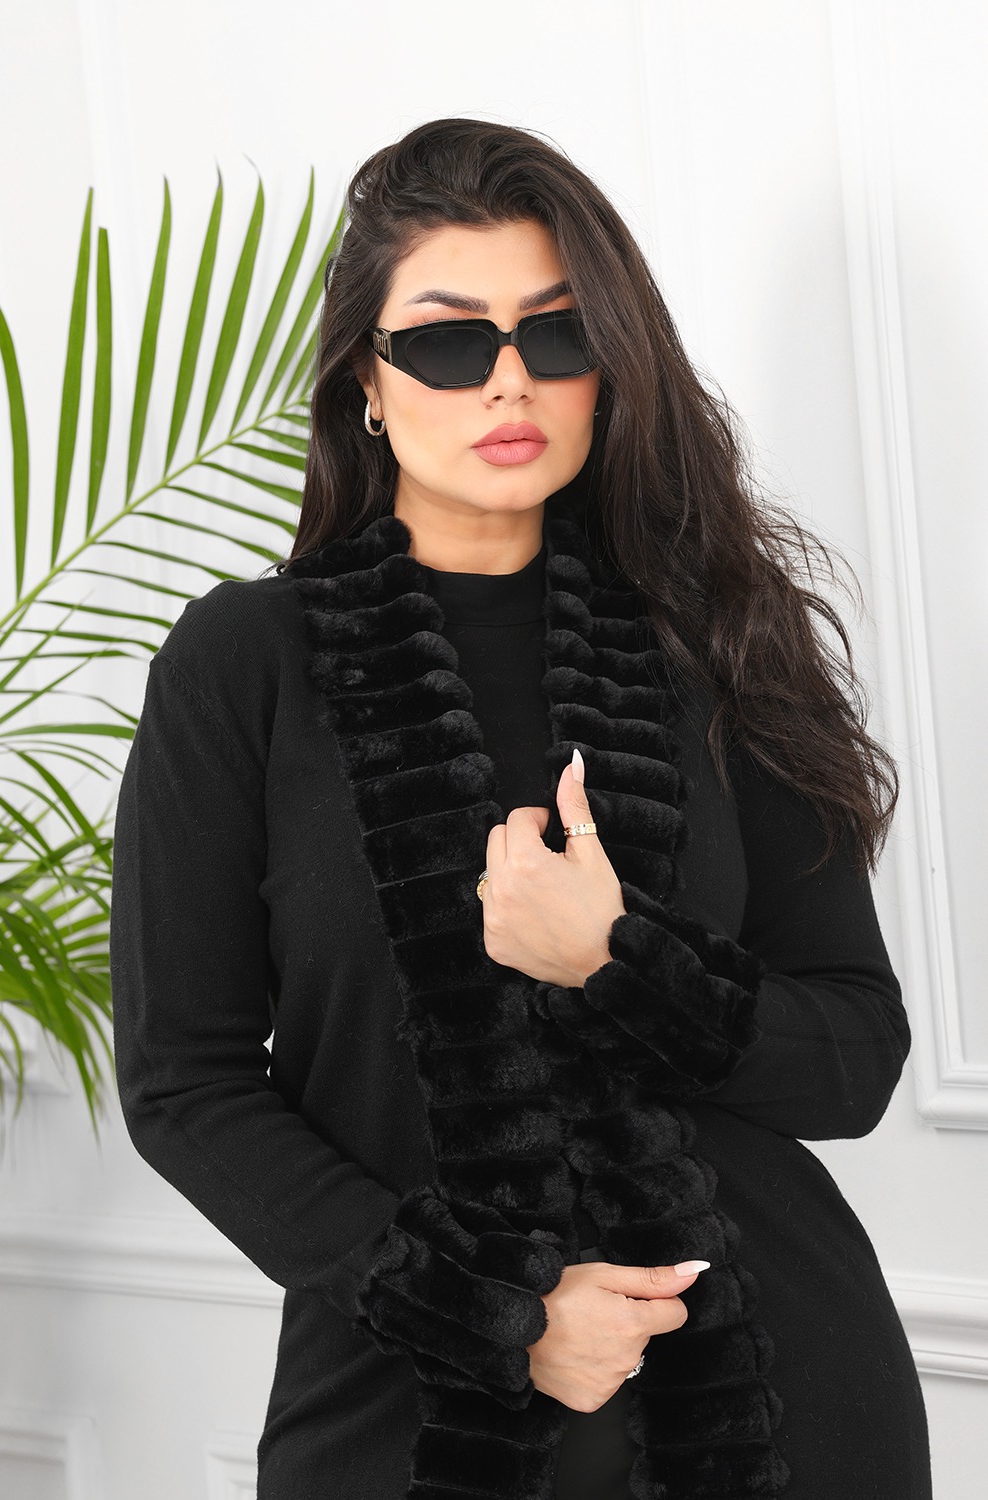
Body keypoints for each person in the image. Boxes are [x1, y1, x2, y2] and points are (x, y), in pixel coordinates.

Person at [109, 117, 934, 1500]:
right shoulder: (244, 663)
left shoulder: (716, 643)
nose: (509, 379)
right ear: (368, 381)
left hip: (779, 1405)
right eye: (447, 341)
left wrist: (617, 957)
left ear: (608, 368)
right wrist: (495, 1312)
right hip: (401, 1414)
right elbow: (182, 1085)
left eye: (557, 335)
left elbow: (853, 1056)